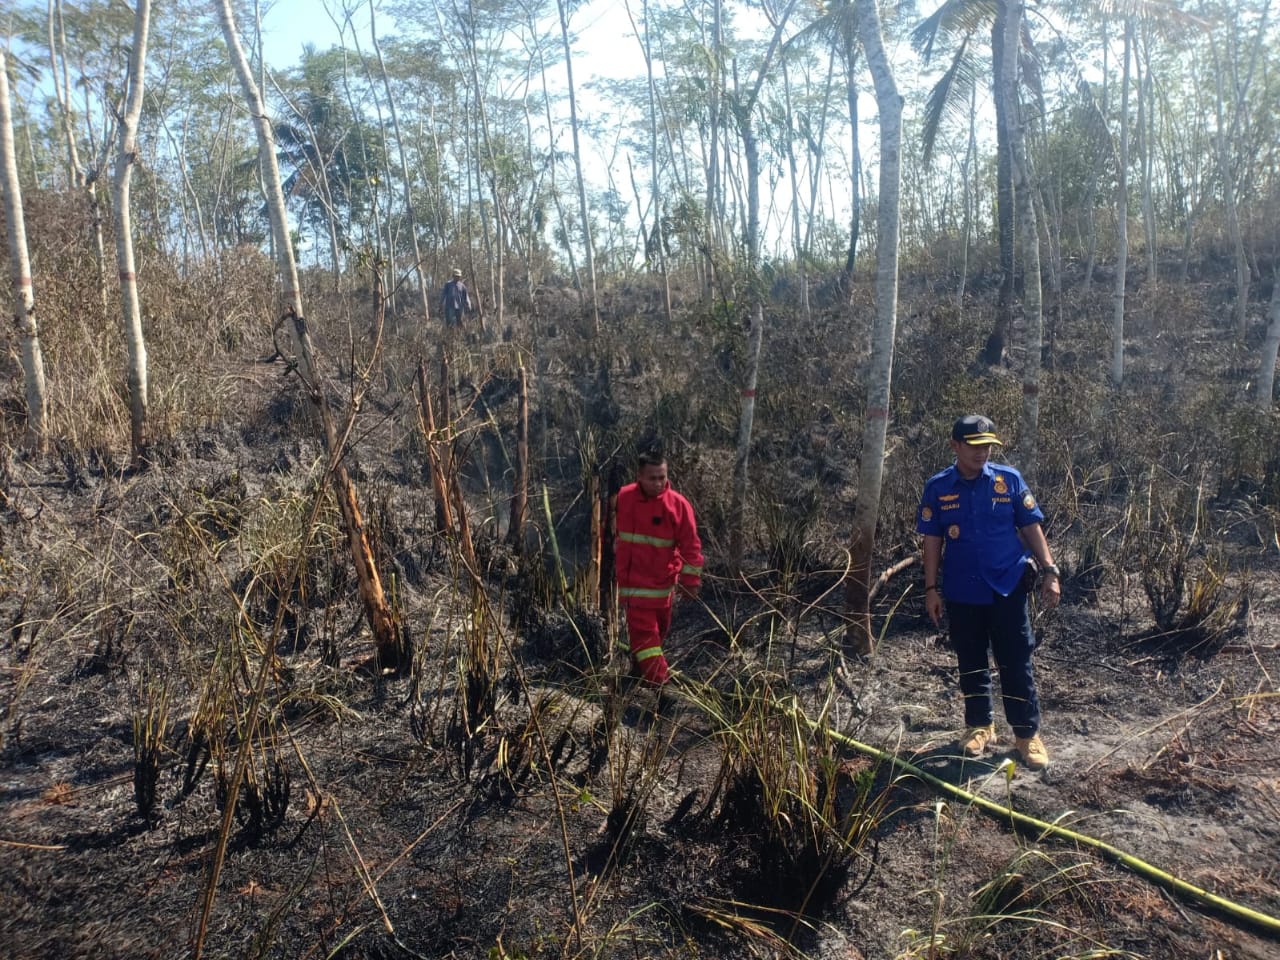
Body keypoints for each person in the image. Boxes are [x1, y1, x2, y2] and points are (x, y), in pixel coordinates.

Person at [917, 414, 1061, 770]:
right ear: (955, 445)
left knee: (1015, 659)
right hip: (963, 589)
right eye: (974, 446)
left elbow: (1031, 526)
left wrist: (1050, 571)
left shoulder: (1008, 481)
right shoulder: (938, 487)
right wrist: (931, 588)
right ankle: (979, 726)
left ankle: (1027, 735)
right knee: (970, 659)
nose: (982, 453)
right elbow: (932, 540)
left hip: (1007, 586)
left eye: (988, 447)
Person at [613, 449, 704, 686]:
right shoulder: (623, 498)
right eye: (652, 478)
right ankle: (664, 689)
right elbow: (609, 532)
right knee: (646, 641)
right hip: (634, 588)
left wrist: (690, 582)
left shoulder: (678, 506)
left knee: (656, 638)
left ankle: (639, 675)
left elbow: (691, 545)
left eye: (662, 477)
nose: (658, 483)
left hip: (664, 589)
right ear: (639, 476)